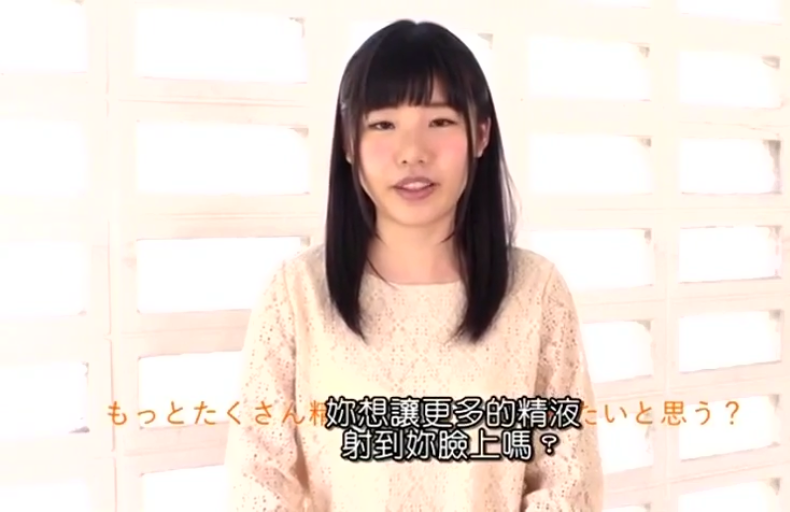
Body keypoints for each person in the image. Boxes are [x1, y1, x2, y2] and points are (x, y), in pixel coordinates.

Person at [225, 19, 604, 512]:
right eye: (383, 124)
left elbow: (567, 479)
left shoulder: (535, 290)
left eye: (439, 122)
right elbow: (257, 483)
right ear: (348, 144)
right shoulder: (296, 294)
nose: (412, 152)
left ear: (481, 134)